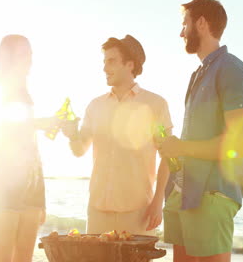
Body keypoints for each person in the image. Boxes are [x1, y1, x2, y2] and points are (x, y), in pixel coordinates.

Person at [159, 0, 243, 261]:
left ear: (201, 23)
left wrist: (181, 147)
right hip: (184, 192)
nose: (181, 33)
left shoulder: (231, 69)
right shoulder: (198, 74)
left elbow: (240, 143)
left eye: (185, 24)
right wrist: (170, 148)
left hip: (212, 193)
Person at [61, 35, 172, 235]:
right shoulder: (95, 106)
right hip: (97, 211)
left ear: (130, 65)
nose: (104, 68)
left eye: (111, 61)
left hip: (138, 213)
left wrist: (158, 201)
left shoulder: (156, 105)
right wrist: (71, 135)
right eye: (104, 62)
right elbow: (79, 150)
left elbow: (168, 154)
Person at [0, 35, 52, 262]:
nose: (30, 59)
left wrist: (41, 197)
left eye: (30, 53)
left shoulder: (26, 94)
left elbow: (32, 148)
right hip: (6, 186)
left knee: (24, 259)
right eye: (24, 53)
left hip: (32, 188)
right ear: (9, 58)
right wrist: (41, 123)